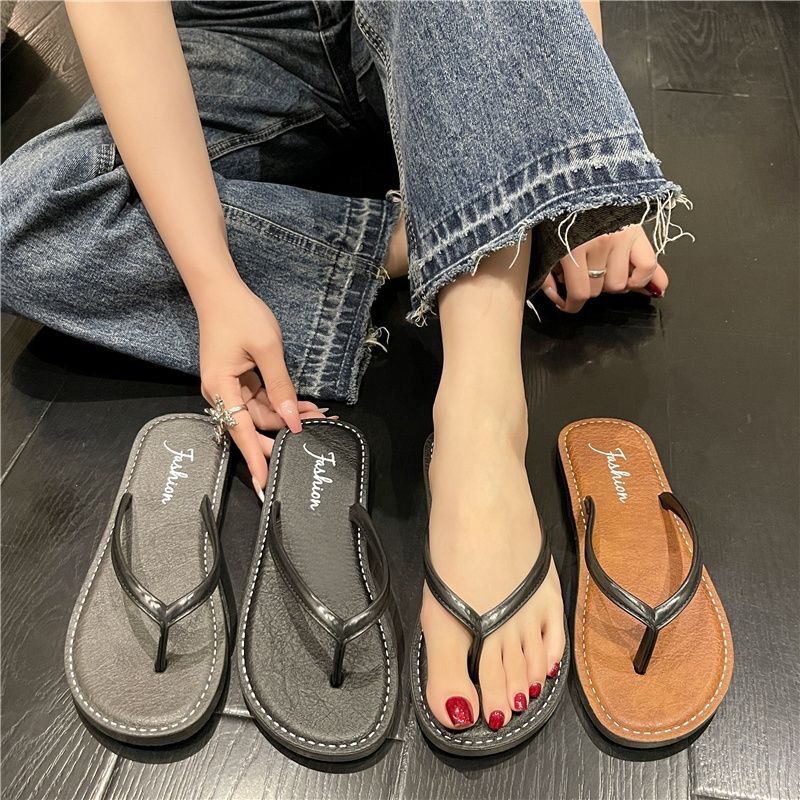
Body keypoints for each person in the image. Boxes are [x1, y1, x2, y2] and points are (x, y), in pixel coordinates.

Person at [0, 1, 690, 733]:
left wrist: (577, 182)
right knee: (25, 220)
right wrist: (212, 283)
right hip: (242, 37)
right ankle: (439, 230)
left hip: (436, 21)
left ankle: (480, 429)